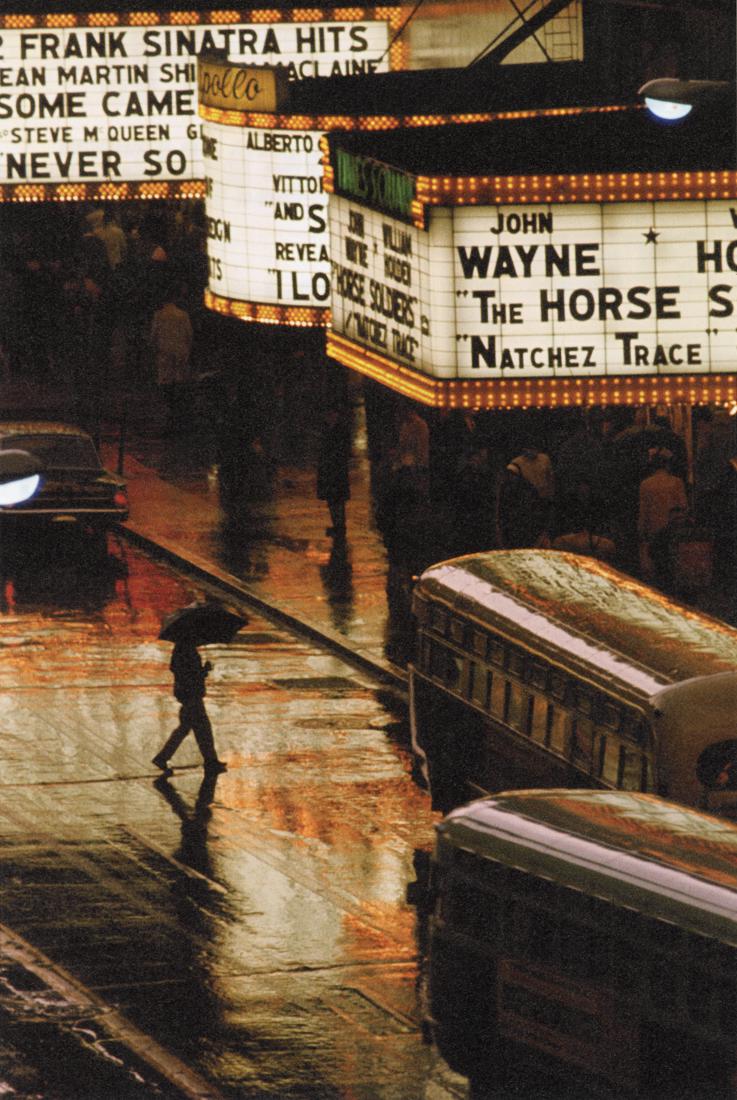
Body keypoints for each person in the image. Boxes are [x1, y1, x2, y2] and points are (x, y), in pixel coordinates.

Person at [152, 639, 226, 772]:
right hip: (191, 694)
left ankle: (163, 757)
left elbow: (179, 670)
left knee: (188, 728)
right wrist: (204, 670)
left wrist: (202, 670)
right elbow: (190, 674)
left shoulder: (182, 647)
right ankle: (210, 761)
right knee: (203, 730)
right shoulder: (187, 648)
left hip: (187, 694)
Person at [150, 284, 194, 433]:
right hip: (181, 352)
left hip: (164, 352)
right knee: (179, 381)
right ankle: (179, 417)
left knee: (166, 382)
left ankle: (168, 416)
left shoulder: (159, 315)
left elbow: (154, 336)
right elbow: (189, 335)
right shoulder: (183, 315)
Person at [316, 405, 351, 539]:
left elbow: (342, 450)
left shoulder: (340, 431)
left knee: (338, 500)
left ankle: (340, 526)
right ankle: (337, 525)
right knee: (332, 499)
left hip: (337, 469)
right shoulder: (327, 429)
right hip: (329, 469)